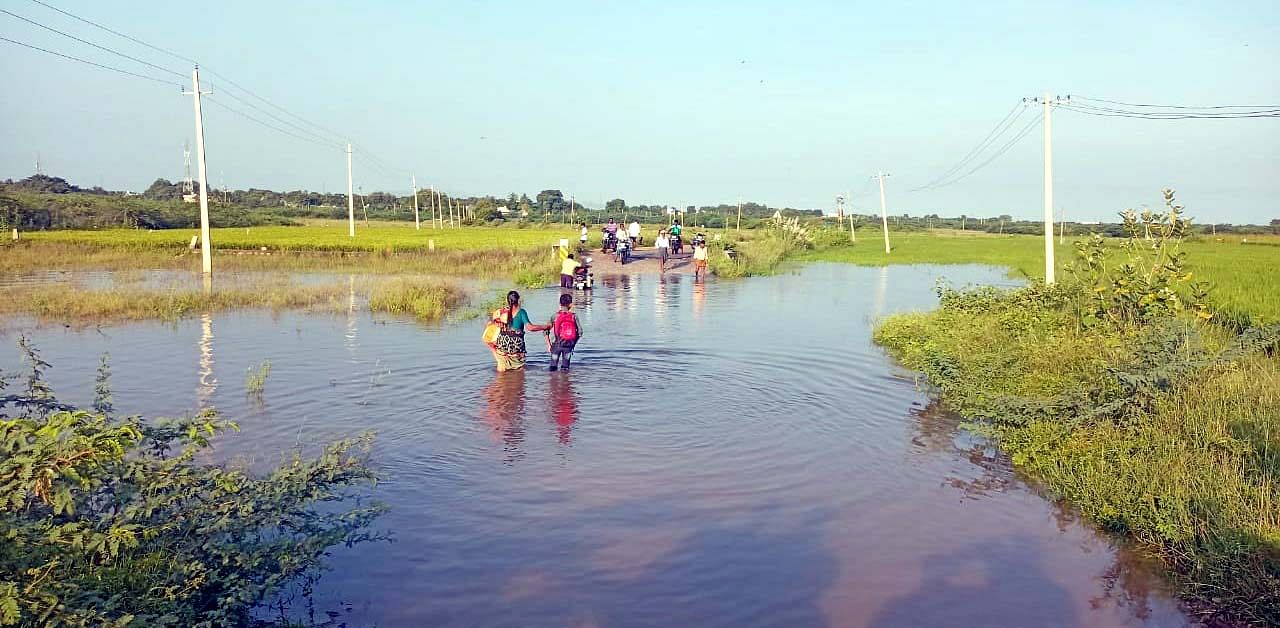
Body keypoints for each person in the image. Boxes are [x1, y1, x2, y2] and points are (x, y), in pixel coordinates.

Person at [488, 290, 549, 371]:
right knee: (518, 370)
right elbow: (530, 327)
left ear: (507, 300)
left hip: (503, 343)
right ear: (519, 300)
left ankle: (501, 370)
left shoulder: (502, 312)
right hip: (516, 345)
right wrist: (545, 326)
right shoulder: (521, 312)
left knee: (501, 367)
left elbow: (491, 323)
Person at [543, 293, 582, 371]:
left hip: (556, 345)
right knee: (565, 368)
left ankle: (553, 382)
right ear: (570, 305)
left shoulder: (555, 316)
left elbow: (545, 330)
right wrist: (573, 343)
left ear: (560, 304)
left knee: (553, 368)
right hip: (568, 345)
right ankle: (566, 382)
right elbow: (580, 332)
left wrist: (548, 345)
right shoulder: (574, 316)